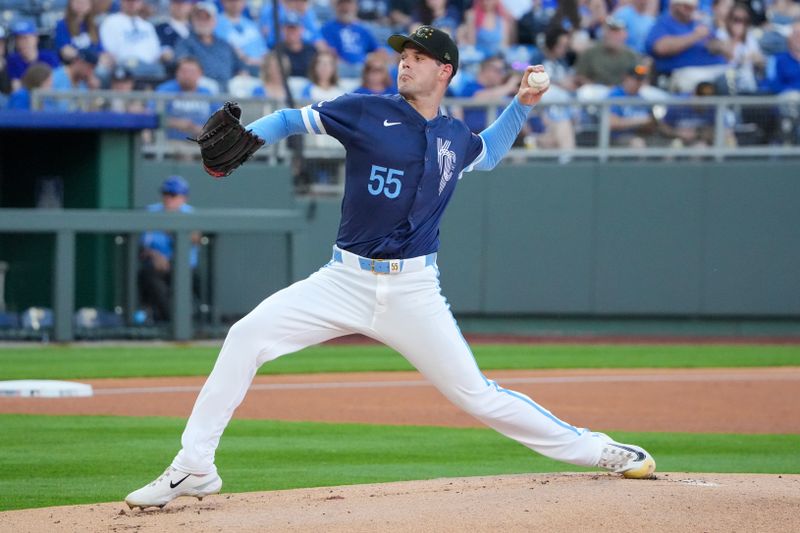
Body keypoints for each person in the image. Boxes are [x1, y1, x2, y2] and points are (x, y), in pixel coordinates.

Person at [124, 24, 656, 510]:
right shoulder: (364, 111)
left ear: (444, 70)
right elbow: (291, 118)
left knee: (477, 395)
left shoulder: (452, 136)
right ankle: (194, 465)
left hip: (414, 291)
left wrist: (521, 104)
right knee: (245, 337)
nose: (406, 62)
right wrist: (253, 137)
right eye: (404, 53)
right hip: (342, 280)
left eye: (419, 56)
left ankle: (599, 449)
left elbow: (487, 153)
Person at [137, 175, 200, 323]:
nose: (168, 198)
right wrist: (155, 255)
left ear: (183, 197)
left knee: (185, 281)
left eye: (173, 195)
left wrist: (172, 226)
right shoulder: (151, 212)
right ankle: (173, 321)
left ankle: (178, 321)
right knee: (149, 277)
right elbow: (141, 245)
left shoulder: (190, 213)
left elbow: (196, 239)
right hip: (156, 265)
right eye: (165, 194)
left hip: (184, 267)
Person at [644, 0, 728, 93]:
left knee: (733, 77)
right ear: (674, 6)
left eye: (693, 7)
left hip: (715, 69)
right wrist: (694, 36)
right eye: (686, 6)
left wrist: (715, 45)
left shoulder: (697, 23)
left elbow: (723, 48)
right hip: (683, 75)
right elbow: (660, 47)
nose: (690, 10)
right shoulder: (664, 23)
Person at [175, 1, 245, 93]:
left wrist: (243, 73)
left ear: (214, 21)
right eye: (199, 18)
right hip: (202, 85)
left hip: (228, 84)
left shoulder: (224, 44)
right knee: (209, 86)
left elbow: (240, 67)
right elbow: (184, 65)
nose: (202, 22)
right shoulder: (185, 43)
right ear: (192, 20)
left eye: (206, 18)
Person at [99, 0, 165, 82]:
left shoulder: (147, 25)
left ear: (141, 3)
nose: (132, 4)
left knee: (160, 70)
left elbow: (156, 52)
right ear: (122, 2)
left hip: (148, 68)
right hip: (123, 66)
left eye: (135, 1)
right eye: (129, 1)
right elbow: (109, 49)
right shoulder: (111, 21)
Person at [574, 16, 641, 87]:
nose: (613, 36)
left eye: (617, 32)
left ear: (625, 35)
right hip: (597, 90)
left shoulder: (631, 55)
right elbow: (579, 77)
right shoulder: (590, 53)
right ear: (604, 33)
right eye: (610, 31)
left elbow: (640, 73)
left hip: (623, 91)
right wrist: (591, 84)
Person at [320, 0, 380, 78]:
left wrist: (371, 60)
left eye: (349, 5)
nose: (345, 8)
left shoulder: (363, 29)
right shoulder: (328, 28)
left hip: (362, 66)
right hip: (341, 67)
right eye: (342, 5)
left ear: (355, 7)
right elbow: (331, 52)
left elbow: (377, 50)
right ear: (336, 7)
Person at [216, 0, 268, 76]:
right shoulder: (216, 23)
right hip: (238, 70)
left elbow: (263, 51)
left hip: (261, 68)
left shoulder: (251, 24)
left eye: (239, 1)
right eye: (232, 1)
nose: (235, 3)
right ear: (223, 2)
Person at [6, 20, 60, 92]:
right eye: (18, 39)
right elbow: (16, 87)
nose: (22, 42)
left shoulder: (49, 57)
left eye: (26, 38)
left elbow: (55, 84)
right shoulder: (13, 60)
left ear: (36, 38)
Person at [155, 0, 194, 77]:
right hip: (170, 71)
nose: (180, 6)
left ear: (191, 6)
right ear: (170, 5)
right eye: (176, 3)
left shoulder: (197, 28)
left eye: (184, 3)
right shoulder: (159, 28)